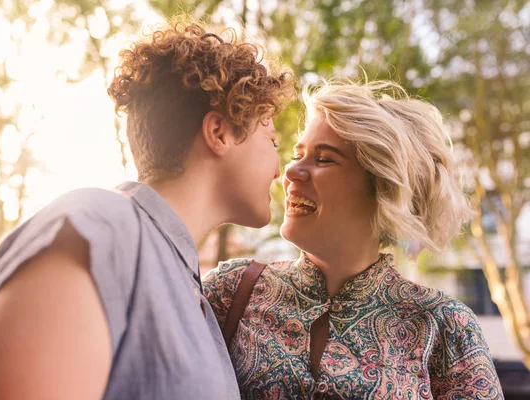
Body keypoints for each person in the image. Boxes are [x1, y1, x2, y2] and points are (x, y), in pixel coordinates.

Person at [0, 18, 294, 400]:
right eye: (272, 140)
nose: (280, 169)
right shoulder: (97, 228)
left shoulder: (194, 294)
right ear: (220, 133)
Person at [203, 80, 504, 399]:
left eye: (324, 159)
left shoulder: (444, 324)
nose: (291, 172)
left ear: (383, 189)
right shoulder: (230, 291)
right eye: (298, 154)